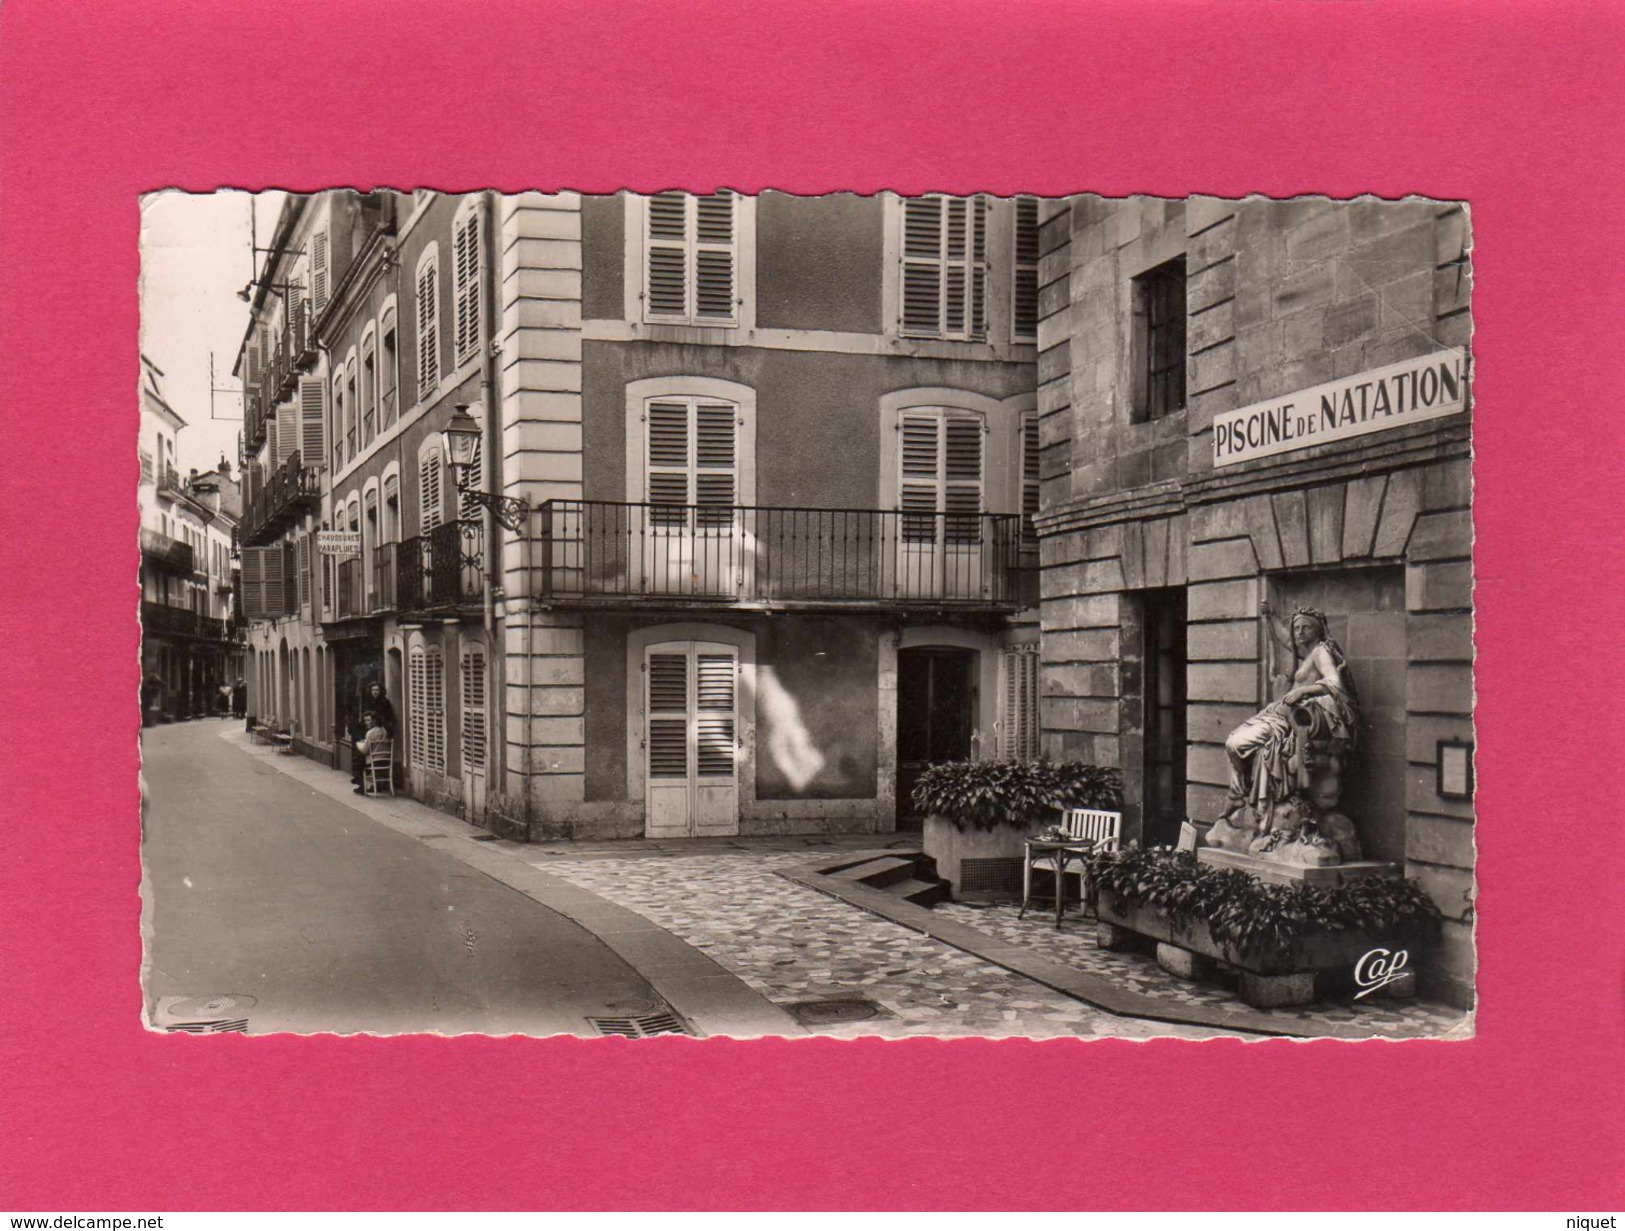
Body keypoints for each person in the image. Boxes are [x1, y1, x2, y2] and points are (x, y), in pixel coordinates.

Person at [1220, 603, 1359, 833]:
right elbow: (1286, 640)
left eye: (1306, 627)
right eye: (1297, 627)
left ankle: (1238, 794)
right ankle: (1237, 794)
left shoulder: (1321, 652)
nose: (1300, 632)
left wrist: (1304, 691)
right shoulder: (1306, 653)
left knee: (1234, 743)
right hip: (1278, 714)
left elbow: (1334, 682)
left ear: (1318, 630)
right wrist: (1272, 617)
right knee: (1233, 743)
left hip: (1291, 719)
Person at [351, 711, 389, 794]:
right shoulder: (384, 730)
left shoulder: (370, 732)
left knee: (357, 764)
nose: (366, 723)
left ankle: (361, 785)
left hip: (375, 760)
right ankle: (376, 786)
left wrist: (358, 744)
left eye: (368, 720)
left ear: (374, 720)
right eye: (365, 721)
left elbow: (365, 750)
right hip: (385, 759)